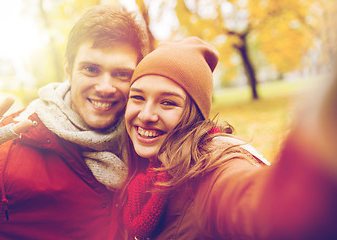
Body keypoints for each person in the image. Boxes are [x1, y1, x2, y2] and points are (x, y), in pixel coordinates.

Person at [0, 5, 149, 239]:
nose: (105, 88)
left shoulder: (148, 146)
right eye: (91, 69)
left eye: (122, 74)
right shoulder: (4, 149)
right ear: (68, 70)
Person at [119, 37, 337, 239]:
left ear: (195, 114)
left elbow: (258, 205)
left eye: (168, 102)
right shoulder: (148, 168)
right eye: (137, 97)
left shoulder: (208, 168)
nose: (146, 115)